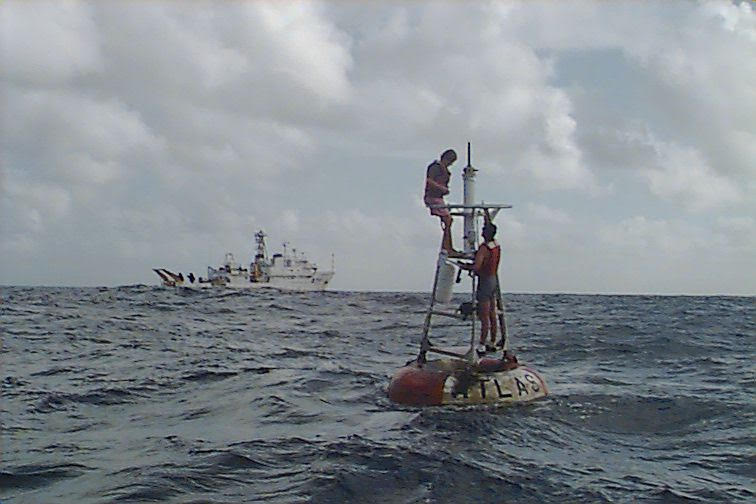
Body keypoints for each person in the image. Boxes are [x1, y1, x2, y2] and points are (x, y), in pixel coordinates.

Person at [461, 222, 501, 352]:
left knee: (484, 315)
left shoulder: (484, 248)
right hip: (493, 280)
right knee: (492, 313)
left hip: (484, 281)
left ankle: (482, 344)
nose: (482, 232)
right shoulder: (496, 245)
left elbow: (477, 266)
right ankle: (492, 341)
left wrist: (465, 266)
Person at [424, 148, 460, 256]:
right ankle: (447, 248)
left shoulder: (445, 171)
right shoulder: (435, 167)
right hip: (433, 197)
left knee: (448, 220)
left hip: (438, 197)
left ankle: (447, 246)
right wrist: (441, 188)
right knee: (448, 220)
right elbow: (429, 181)